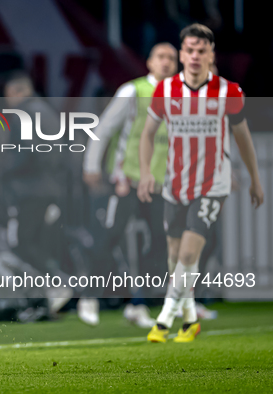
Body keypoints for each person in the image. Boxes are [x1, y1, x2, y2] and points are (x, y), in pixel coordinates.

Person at [138, 24, 263, 343]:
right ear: (182, 54)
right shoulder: (166, 91)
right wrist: (146, 171)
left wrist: (254, 178)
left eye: (201, 50)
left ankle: (164, 320)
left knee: (189, 255)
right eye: (190, 50)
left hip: (213, 184)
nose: (195, 56)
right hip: (176, 184)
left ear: (211, 54)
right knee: (174, 255)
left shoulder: (228, 91)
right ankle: (191, 318)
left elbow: (243, 137)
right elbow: (148, 135)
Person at [81, 43, 178, 328]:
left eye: (171, 58)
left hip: (158, 185)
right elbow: (105, 128)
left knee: (160, 244)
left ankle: (139, 304)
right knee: (108, 237)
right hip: (126, 180)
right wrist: (91, 166)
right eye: (161, 57)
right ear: (149, 62)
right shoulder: (132, 91)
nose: (166, 62)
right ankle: (89, 296)